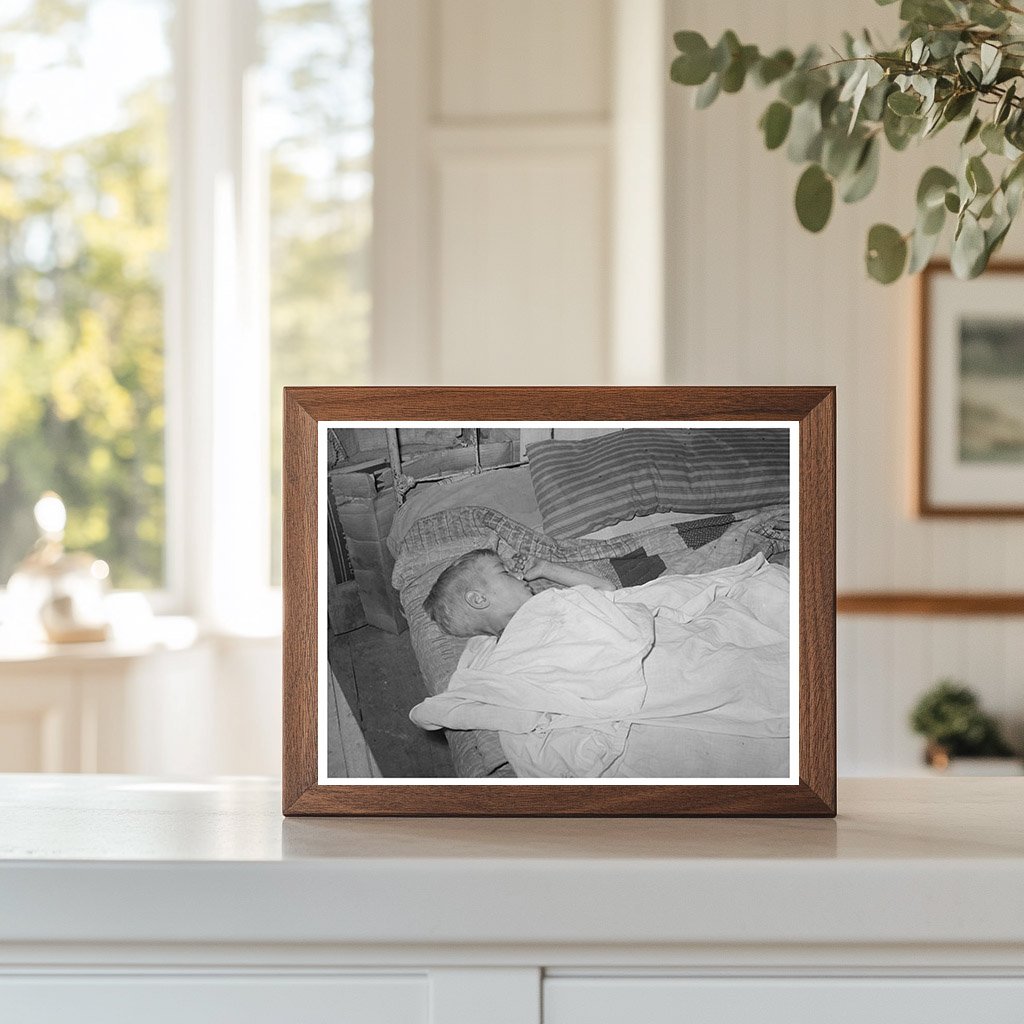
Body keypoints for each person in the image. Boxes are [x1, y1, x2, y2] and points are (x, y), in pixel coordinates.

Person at [422, 548, 614, 638]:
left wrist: (545, 568)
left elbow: (606, 591)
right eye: (505, 572)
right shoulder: (505, 656)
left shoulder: (549, 608)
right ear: (479, 599)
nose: (520, 575)